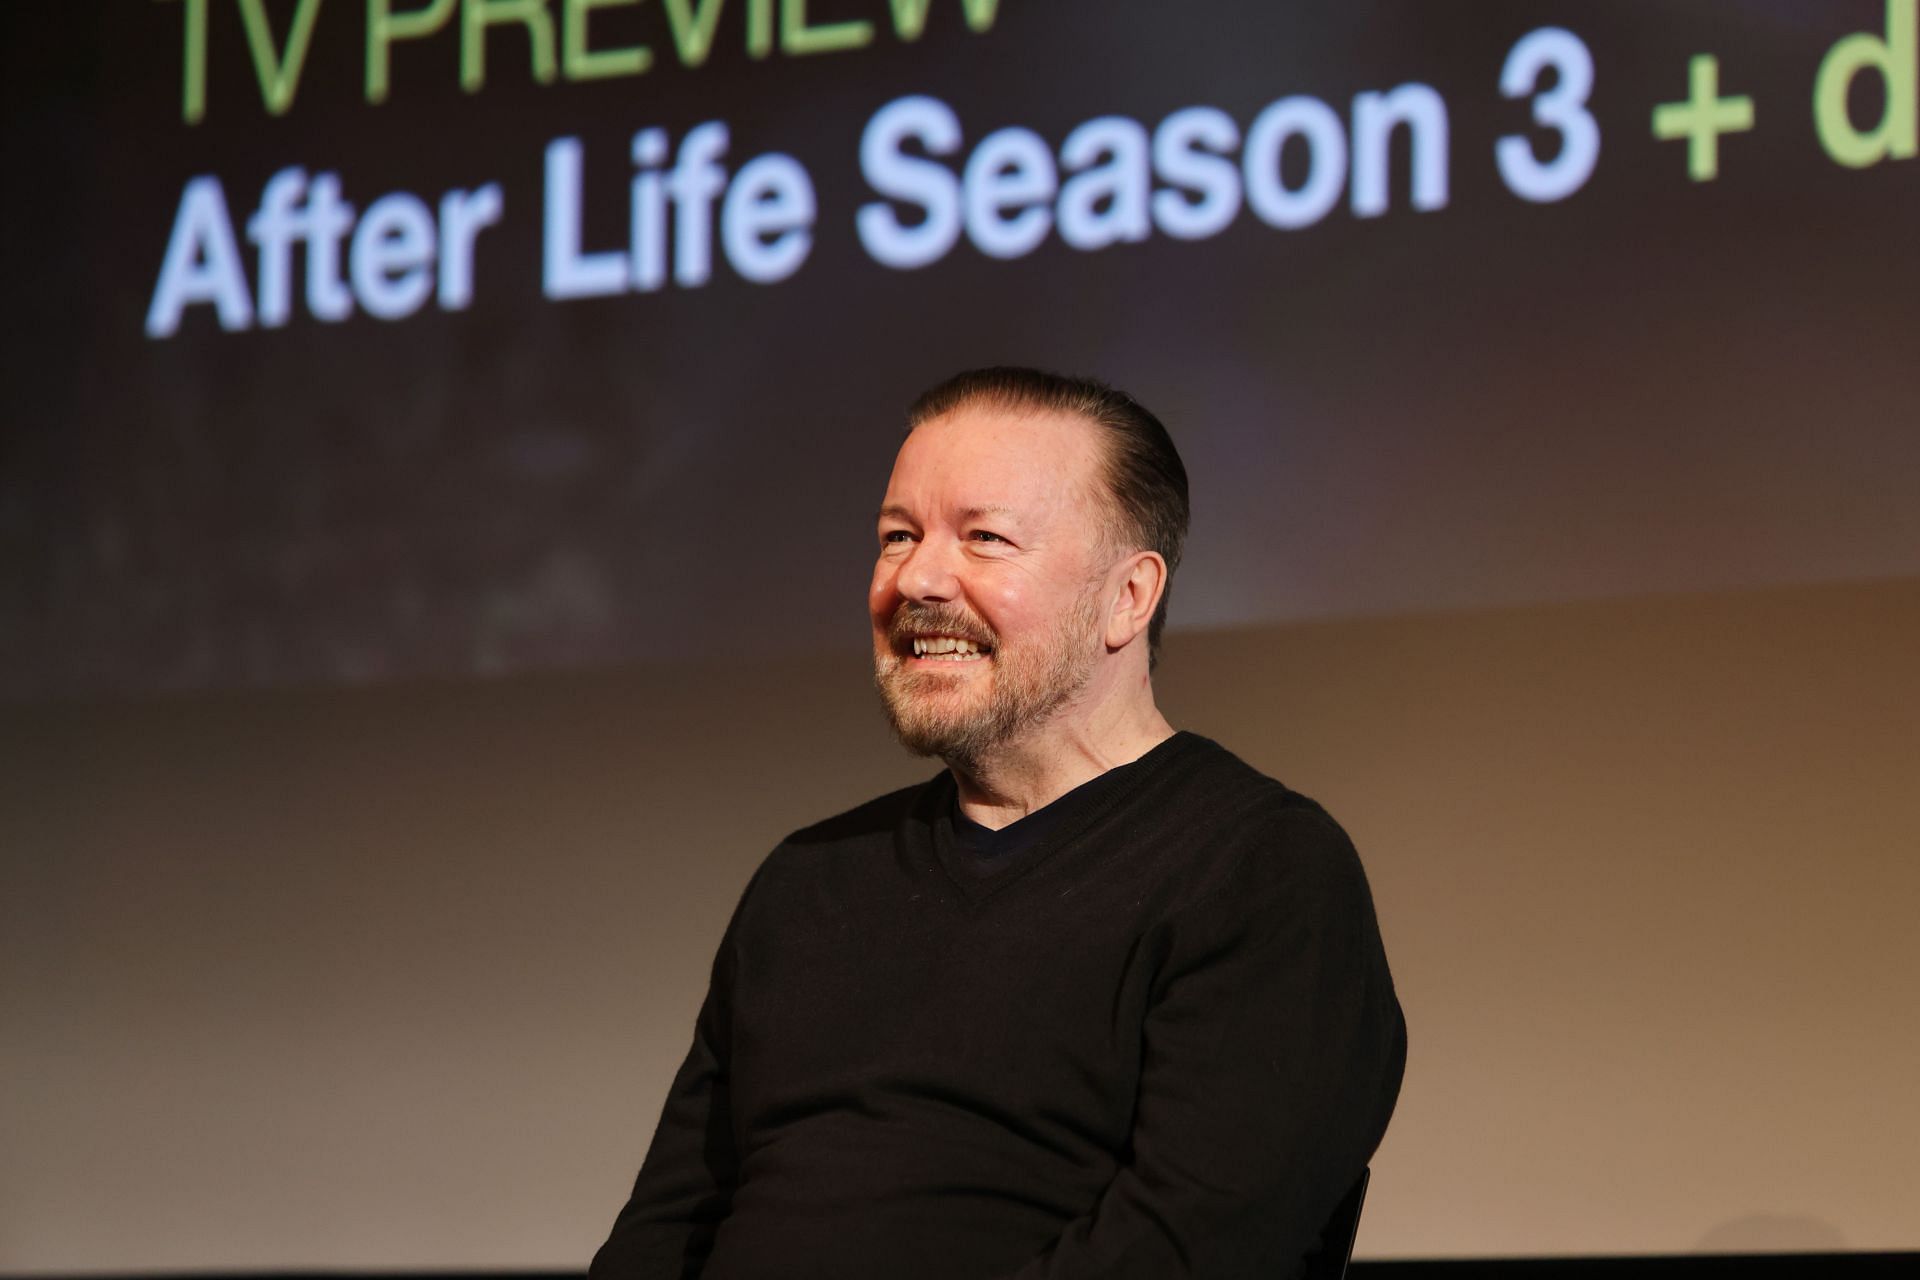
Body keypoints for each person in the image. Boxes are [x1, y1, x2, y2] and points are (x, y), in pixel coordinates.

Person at [589, 368, 1406, 1279]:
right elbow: (666, 1230)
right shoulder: (810, 877)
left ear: (1127, 598)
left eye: (985, 538)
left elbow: (1186, 1248)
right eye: (897, 535)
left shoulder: (1259, 871)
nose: (917, 578)